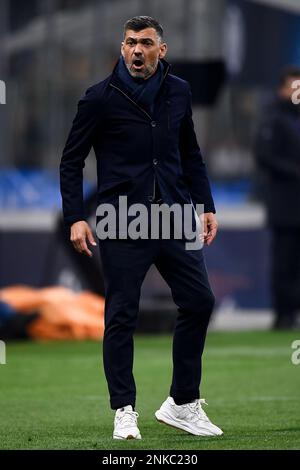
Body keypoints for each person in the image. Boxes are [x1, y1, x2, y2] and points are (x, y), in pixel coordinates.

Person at [60, 16, 223, 439]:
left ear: (160, 51)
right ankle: (124, 409)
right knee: (121, 314)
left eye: (146, 43)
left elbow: (191, 153)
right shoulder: (99, 98)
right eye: (130, 42)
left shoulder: (179, 92)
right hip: (122, 219)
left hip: (174, 215)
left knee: (200, 301)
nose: (137, 50)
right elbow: (71, 161)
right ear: (121, 48)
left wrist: (205, 205)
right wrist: (76, 216)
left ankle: (182, 402)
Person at [255, 66, 300, 330]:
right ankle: (283, 314)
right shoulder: (273, 119)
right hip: (285, 205)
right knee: (284, 261)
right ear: (282, 89)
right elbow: (265, 156)